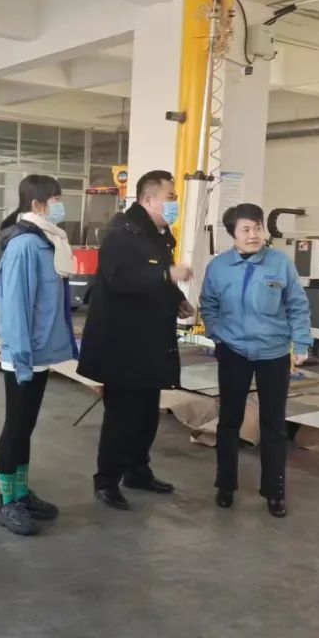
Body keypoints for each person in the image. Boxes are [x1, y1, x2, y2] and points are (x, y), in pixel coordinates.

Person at [77, 169, 194, 511]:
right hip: (123, 345)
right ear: (147, 199)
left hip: (150, 342)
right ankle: (107, 480)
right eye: (170, 197)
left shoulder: (158, 235)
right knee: (122, 416)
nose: (174, 203)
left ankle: (137, 471)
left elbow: (158, 280)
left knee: (146, 414)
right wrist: (166, 274)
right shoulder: (121, 234)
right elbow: (120, 279)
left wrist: (177, 300)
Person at [199, 203, 313, 519]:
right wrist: (216, 334)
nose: (253, 235)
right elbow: (208, 303)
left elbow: (297, 306)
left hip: (273, 353)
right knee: (229, 420)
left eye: (258, 228)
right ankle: (225, 485)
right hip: (233, 351)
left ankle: (275, 492)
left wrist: (302, 342)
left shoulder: (280, 263)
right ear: (233, 234)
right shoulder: (219, 267)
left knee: (273, 425)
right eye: (246, 229)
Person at [0, 175, 79, 536]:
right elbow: (15, 309)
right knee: (15, 427)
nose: (61, 205)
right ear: (36, 205)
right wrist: (22, 358)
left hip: (39, 352)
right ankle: (6, 502)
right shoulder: (24, 245)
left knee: (25, 427)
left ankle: (21, 492)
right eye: (55, 199)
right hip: (23, 355)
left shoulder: (48, 241)